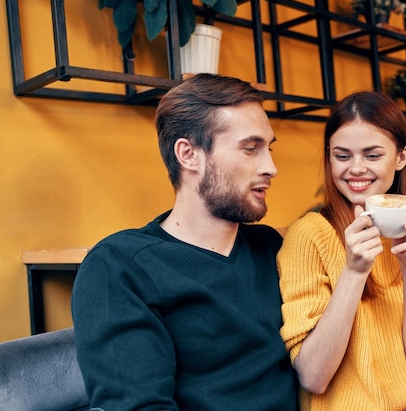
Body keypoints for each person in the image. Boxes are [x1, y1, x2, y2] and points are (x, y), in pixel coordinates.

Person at [71, 73, 299, 411]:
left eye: (269, 149)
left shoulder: (270, 248)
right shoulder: (121, 267)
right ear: (188, 154)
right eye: (251, 149)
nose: (271, 167)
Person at [278, 91, 406, 410]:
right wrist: (355, 271)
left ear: (401, 158)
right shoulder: (310, 235)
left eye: (372, 155)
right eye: (342, 156)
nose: (355, 169)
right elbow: (313, 376)